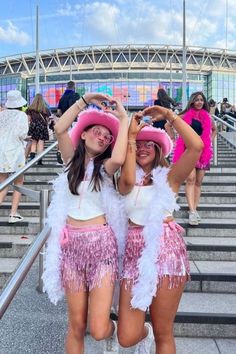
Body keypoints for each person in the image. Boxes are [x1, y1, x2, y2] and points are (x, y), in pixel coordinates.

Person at [42, 93, 128, 354]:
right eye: (97, 131)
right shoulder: (71, 162)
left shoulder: (106, 169)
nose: (102, 137)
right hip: (71, 250)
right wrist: (85, 100)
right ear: (83, 134)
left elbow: (121, 157)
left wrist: (123, 118)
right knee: (76, 326)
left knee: (99, 329)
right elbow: (58, 128)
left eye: (107, 136)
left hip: (101, 248)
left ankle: (115, 333)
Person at [117, 107, 203, 354]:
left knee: (164, 331)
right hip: (133, 255)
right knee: (126, 336)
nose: (144, 148)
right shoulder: (123, 179)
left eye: (150, 145)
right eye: (139, 144)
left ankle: (155, 333)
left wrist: (169, 115)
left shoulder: (169, 178)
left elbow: (195, 147)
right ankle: (145, 335)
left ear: (158, 150)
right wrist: (130, 136)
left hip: (165, 252)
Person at [173, 92, 216, 225]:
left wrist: (209, 141)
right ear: (192, 102)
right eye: (196, 100)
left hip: (202, 153)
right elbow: (168, 124)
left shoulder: (207, 117)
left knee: (198, 182)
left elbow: (214, 130)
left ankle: (195, 210)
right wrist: (174, 139)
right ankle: (192, 211)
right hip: (188, 152)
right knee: (190, 179)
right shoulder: (184, 115)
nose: (199, 102)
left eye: (201, 100)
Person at [0, 90, 28, 223]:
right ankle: (13, 213)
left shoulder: (2, 114)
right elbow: (22, 134)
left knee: (3, 183)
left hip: (1, 151)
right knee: (18, 181)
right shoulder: (22, 115)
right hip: (15, 150)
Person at [57, 81, 80, 164]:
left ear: (67, 87)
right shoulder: (76, 95)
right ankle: (74, 155)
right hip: (74, 120)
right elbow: (80, 107)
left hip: (65, 120)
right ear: (74, 87)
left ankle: (59, 151)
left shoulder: (62, 98)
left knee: (62, 136)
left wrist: (63, 116)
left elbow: (59, 111)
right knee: (74, 137)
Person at [26, 94, 51, 165]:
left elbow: (28, 119)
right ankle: (39, 160)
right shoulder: (45, 109)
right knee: (41, 143)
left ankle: (32, 158)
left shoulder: (30, 109)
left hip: (33, 125)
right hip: (42, 126)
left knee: (33, 142)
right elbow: (47, 119)